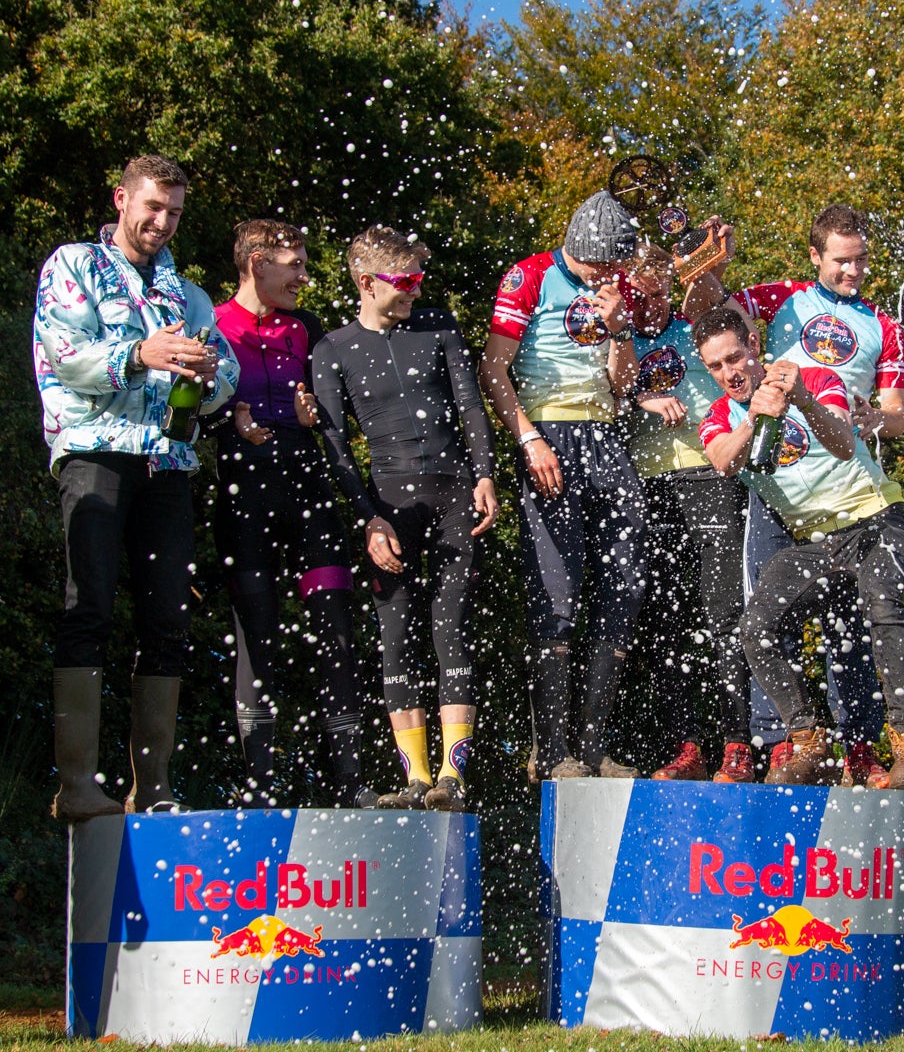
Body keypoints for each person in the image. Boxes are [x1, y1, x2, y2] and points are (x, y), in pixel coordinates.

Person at [33, 154, 236, 820]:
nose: (162, 221)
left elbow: (224, 374)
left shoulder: (190, 293)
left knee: (168, 622)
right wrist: (137, 354)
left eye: (174, 212)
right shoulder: (74, 264)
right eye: (152, 206)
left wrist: (208, 379)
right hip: (95, 453)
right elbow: (66, 357)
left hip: (169, 466)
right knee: (87, 607)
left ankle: (152, 787)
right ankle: (76, 784)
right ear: (121, 198)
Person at [686, 203, 903, 784]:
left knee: (849, 622)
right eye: (841, 261)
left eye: (860, 260)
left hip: (838, 469)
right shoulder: (780, 298)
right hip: (775, 482)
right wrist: (710, 264)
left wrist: (866, 419)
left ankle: (858, 746)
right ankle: (783, 740)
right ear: (815, 256)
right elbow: (707, 313)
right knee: (762, 613)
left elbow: (898, 418)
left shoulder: (883, 324)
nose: (852, 272)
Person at [309, 226, 499, 811]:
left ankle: (452, 776)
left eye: (420, 278)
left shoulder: (438, 327)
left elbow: (469, 403)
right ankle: (415, 776)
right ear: (366, 283)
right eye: (405, 281)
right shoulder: (334, 348)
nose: (416, 289)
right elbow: (336, 445)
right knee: (395, 634)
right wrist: (367, 519)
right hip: (388, 506)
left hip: (452, 496)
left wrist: (486, 473)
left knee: (451, 629)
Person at [479, 190, 648, 781]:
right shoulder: (529, 276)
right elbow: (492, 367)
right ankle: (550, 753)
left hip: (604, 437)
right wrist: (527, 438)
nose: (608, 274)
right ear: (577, 248)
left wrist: (619, 329)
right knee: (557, 593)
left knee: (627, 587)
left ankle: (593, 745)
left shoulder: (616, 290)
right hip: (548, 433)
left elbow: (624, 385)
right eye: (600, 263)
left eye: (616, 265)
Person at [211, 219, 366, 808]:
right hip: (244, 493)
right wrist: (229, 421)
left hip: (307, 491)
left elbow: (334, 419)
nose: (305, 276)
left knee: (336, 627)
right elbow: (192, 409)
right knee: (257, 632)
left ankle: (348, 781)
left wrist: (311, 417)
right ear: (256, 264)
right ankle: (257, 784)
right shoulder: (214, 325)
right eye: (294, 265)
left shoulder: (307, 329)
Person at [623, 250, 755, 783]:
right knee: (668, 622)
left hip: (711, 477)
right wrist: (642, 399)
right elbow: (605, 396)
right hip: (648, 486)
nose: (651, 304)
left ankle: (737, 743)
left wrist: (709, 265)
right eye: (640, 295)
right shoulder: (619, 341)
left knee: (724, 614)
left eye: (660, 292)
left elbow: (742, 336)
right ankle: (685, 745)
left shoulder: (694, 331)